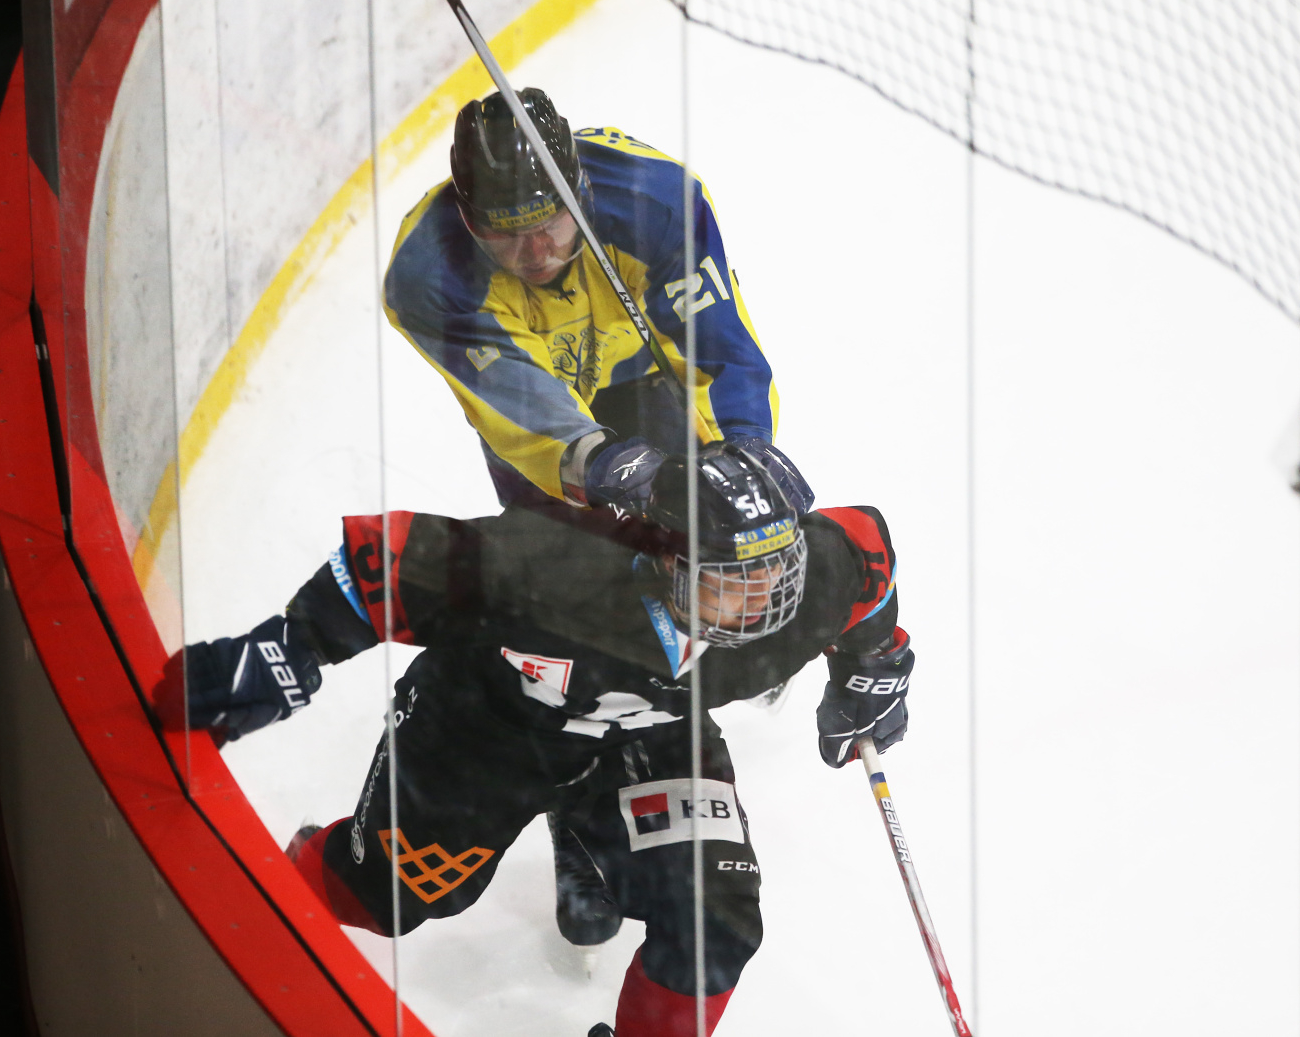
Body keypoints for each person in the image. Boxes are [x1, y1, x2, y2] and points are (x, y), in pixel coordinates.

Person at [172, 444, 915, 1037]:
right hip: (487, 726)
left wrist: (877, 664)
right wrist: (291, 645)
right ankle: (264, 892)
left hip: (650, 737)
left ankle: (587, 835)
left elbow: (866, 548)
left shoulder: (805, 587)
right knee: (376, 899)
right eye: (733, 580)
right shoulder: (561, 570)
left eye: (777, 569)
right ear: (669, 560)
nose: (767, 600)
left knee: (713, 924)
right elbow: (386, 559)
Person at [382, 88, 814, 517]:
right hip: (535, 411)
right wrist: (604, 466)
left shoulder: (657, 203)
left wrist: (747, 443)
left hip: (643, 373)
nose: (536, 254)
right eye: (505, 237)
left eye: (551, 226)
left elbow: (718, 344)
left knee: (707, 518)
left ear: (581, 192)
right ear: (469, 223)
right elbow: (525, 404)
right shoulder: (426, 273)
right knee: (559, 548)